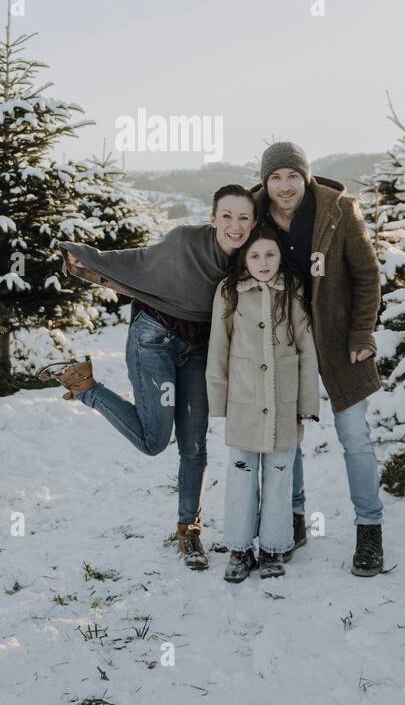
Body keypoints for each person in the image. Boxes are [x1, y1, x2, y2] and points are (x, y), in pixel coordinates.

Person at [38, 185, 256, 569]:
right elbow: (141, 260)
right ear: (213, 218)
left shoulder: (249, 259)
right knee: (154, 441)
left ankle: (189, 531)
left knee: (194, 446)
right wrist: (89, 258)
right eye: (227, 216)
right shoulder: (185, 241)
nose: (235, 226)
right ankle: (84, 385)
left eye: (244, 217)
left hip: (199, 350)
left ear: (253, 221)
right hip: (154, 339)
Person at [251, 142, 386, 576]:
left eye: (293, 175)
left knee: (354, 436)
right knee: (286, 437)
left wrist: (362, 332)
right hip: (283, 344)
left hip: (339, 341)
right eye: (276, 177)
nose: (285, 186)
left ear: (305, 176)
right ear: (265, 182)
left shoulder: (339, 210)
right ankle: (294, 521)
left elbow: (367, 276)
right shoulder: (253, 214)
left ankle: (370, 530)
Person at [206, 225, 319, 582]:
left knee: (279, 476)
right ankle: (239, 550)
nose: (263, 262)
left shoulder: (293, 290)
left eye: (270, 254)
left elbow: (306, 348)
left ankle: (273, 547)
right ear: (244, 259)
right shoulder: (229, 292)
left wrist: (307, 402)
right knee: (241, 475)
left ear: (280, 256)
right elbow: (218, 349)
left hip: (284, 404)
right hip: (244, 401)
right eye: (254, 255)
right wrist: (218, 401)